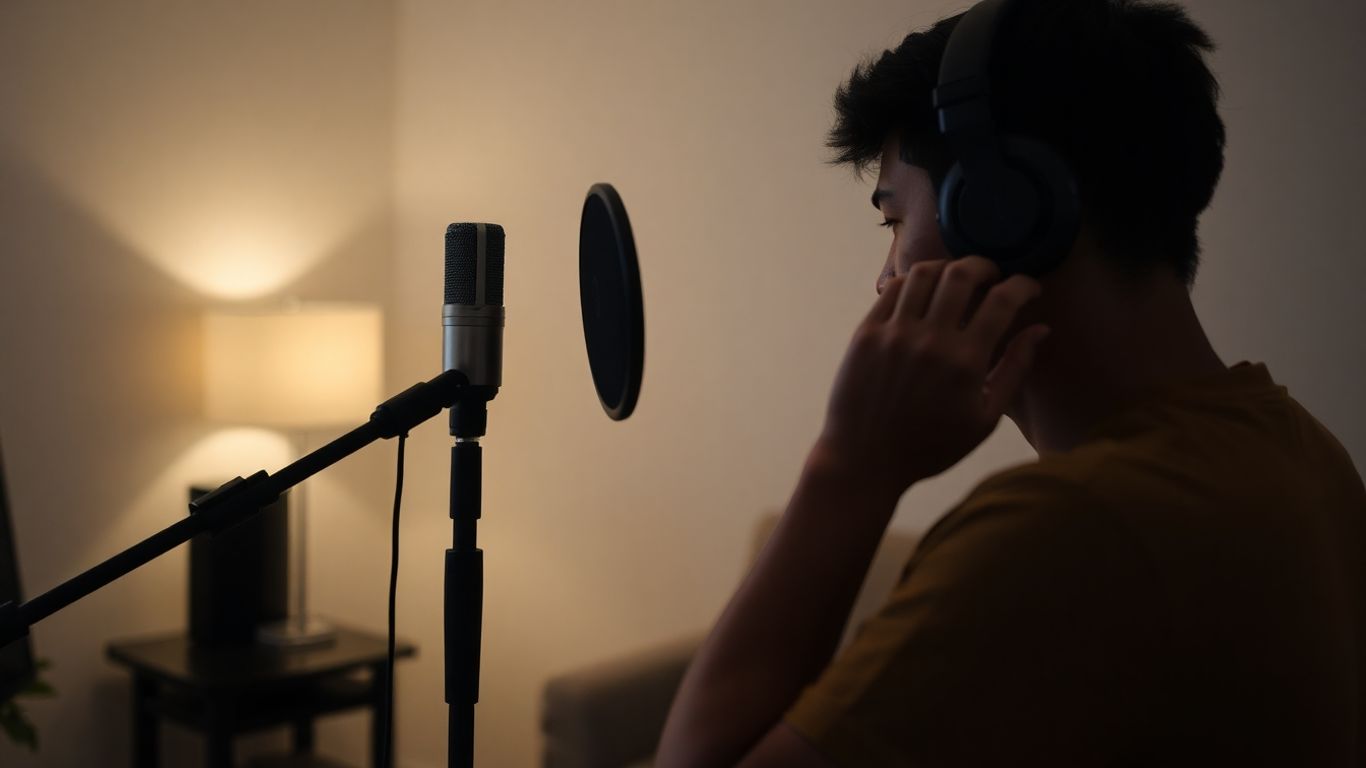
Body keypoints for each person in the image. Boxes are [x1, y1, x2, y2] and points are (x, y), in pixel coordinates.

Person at [654, 0, 1366, 766]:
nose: (885, 279)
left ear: (1004, 209)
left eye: (892, 221)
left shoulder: (1070, 528)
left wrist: (850, 468)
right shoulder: (1301, 449)